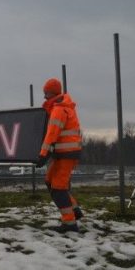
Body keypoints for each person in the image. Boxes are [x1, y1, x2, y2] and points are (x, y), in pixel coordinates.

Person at [36, 78, 84, 233]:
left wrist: (43, 155)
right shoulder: (63, 107)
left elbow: (52, 134)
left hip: (66, 155)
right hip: (63, 154)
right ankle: (74, 210)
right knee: (50, 181)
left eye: (46, 93)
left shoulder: (58, 109)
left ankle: (69, 223)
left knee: (58, 188)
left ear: (53, 92)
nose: (44, 97)